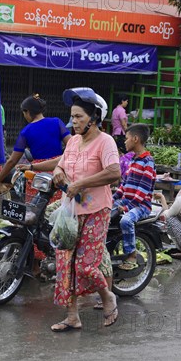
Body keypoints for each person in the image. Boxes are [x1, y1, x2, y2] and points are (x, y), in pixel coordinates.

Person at [50, 87, 121, 332]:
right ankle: (72, 316)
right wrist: (58, 174)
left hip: (96, 210)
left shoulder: (106, 141)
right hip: (70, 211)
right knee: (65, 263)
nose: (74, 121)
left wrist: (81, 183)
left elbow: (114, 172)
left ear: (94, 118)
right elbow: (60, 166)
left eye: (79, 116)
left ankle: (107, 296)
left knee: (85, 266)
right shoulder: (72, 143)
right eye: (72, 116)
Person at [0, 94, 71, 197]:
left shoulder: (26, 131)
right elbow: (72, 145)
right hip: (58, 172)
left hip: (38, 175)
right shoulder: (57, 122)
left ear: (28, 112)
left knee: (36, 208)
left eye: (24, 113)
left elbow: (12, 161)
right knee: (57, 208)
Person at [112, 124, 156, 271]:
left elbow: (143, 190)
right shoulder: (132, 160)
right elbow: (124, 185)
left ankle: (131, 254)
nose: (124, 142)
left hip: (141, 206)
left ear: (135, 139)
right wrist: (112, 198)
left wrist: (126, 208)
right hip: (127, 201)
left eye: (127, 138)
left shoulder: (147, 161)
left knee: (126, 220)